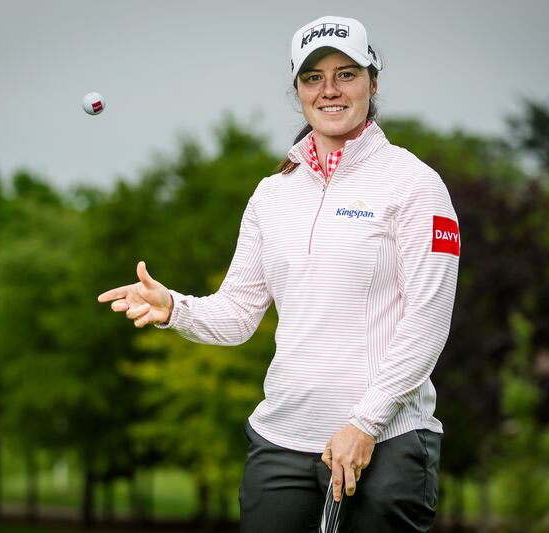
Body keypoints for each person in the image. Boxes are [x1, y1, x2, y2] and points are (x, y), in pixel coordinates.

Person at [98, 15, 460, 533]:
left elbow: (428, 322)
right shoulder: (273, 194)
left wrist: (364, 423)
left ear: (372, 82)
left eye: (346, 74)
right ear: (297, 90)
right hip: (282, 442)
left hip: (388, 441)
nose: (329, 90)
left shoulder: (415, 185)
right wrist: (174, 308)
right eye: (313, 78)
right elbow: (239, 314)